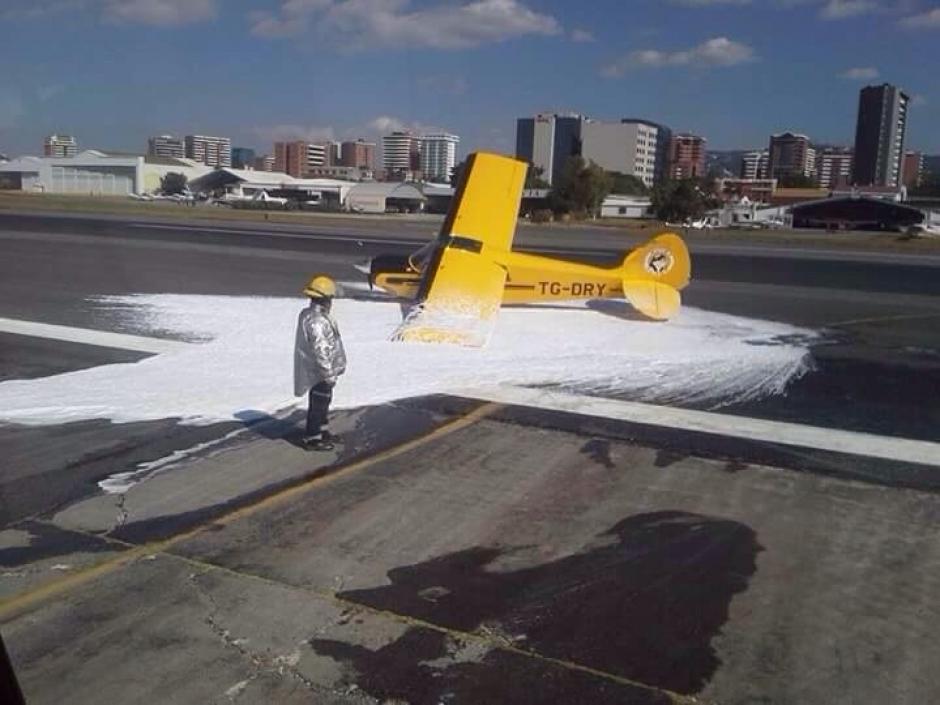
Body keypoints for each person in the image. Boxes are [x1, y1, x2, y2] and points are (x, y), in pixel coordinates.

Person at [294, 275, 346, 451]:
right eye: (330, 298)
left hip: (319, 370)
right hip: (320, 372)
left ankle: (322, 431)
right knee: (318, 403)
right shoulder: (317, 321)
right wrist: (328, 373)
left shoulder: (310, 314)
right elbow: (320, 350)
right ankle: (313, 438)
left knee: (323, 401)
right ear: (324, 298)